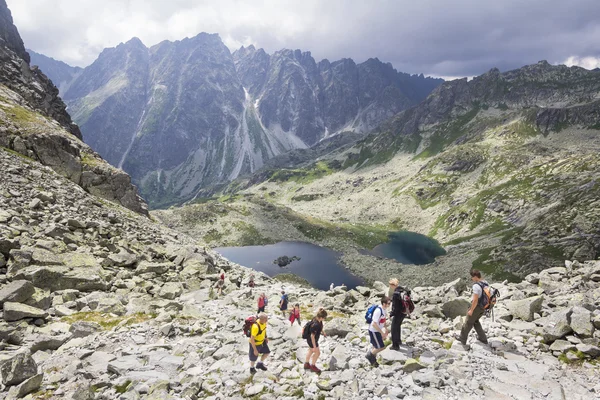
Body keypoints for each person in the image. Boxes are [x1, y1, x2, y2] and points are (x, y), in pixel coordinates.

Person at [456, 269, 489, 345]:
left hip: (477, 307)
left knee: (468, 322)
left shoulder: (476, 286)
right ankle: (483, 339)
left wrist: (471, 310)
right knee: (476, 321)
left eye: (472, 277)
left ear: (475, 277)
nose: (471, 278)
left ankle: (462, 339)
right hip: (483, 307)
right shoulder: (485, 282)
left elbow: (475, 300)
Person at [366, 296, 391, 367]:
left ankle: (373, 361)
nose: (389, 305)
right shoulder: (378, 311)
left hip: (377, 330)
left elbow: (383, 320)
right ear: (384, 303)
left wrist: (385, 329)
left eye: (390, 303)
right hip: (374, 331)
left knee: (375, 345)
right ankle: (369, 355)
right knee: (381, 347)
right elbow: (374, 324)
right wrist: (381, 332)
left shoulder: (384, 309)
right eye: (388, 303)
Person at [304, 308, 328, 373]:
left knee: (310, 351)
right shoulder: (316, 325)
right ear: (321, 317)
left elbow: (320, 327)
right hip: (312, 340)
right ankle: (313, 366)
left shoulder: (316, 318)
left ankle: (306, 364)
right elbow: (312, 336)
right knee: (317, 353)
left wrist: (323, 332)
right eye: (324, 318)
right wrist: (314, 346)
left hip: (309, 339)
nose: (324, 319)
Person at [389, 278, 406, 350]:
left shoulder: (396, 294)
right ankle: (398, 340)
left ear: (393, 285)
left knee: (393, 328)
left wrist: (391, 314)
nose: (389, 286)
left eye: (390, 284)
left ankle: (395, 345)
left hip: (398, 313)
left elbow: (395, 307)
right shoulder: (403, 290)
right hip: (404, 312)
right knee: (398, 326)